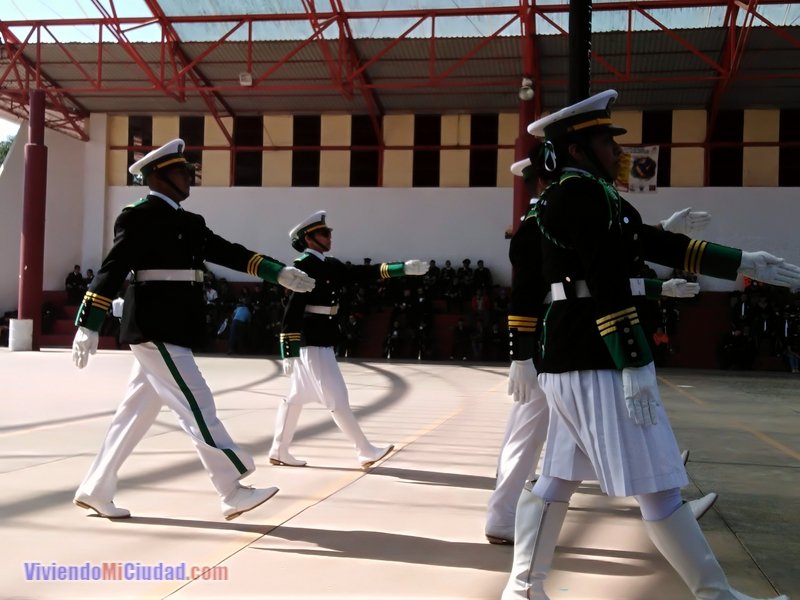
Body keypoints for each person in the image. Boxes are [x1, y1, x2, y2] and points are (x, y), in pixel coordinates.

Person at [503, 90, 798, 600]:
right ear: (576, 149)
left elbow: (649, 244)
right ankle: (715, 595)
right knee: (658, 483)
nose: (617, 152)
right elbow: (604, 277)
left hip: (577, 354)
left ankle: (523, 588)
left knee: (557, 477)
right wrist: (632, 359)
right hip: (598, 356)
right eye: (605, 141)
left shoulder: (593, 195)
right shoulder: (581, 195)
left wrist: (742, 261)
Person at [70, 139, 315, 521]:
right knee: (196, 402)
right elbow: (112, 268)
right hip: (155, 324)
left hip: (175, 324)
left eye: (188, 170)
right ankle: (231, 488)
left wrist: (277, 272)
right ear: (157, 175)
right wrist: (89, 323)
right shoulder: (138, 216)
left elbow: (228, 251)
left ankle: (96, 488)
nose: (189, 177)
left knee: (134, 415)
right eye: (182, 171)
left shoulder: (190, 222)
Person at [485, 152, 716, 546]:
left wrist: (659, 236)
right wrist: (520, 355)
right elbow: (527, 295)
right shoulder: (537, 225)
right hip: (551, 344)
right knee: (529, 436)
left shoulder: (560, 216)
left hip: (569, 341)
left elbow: (604, 263)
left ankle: (662, 502)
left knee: (562, 447)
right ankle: (502, 515)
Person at [268, 210, 429, 469]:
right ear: (309, 239)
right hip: (313, 341)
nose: (329, 235)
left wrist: (403, 269)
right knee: (337, 398)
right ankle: (364, 450)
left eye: (328, 232)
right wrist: (289, 349)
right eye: (324, 233)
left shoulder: (328, 264)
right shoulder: (302, 267)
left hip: (323, 337)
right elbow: (292, 309)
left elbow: (362, 273)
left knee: (296, 397)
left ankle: (279, 449)